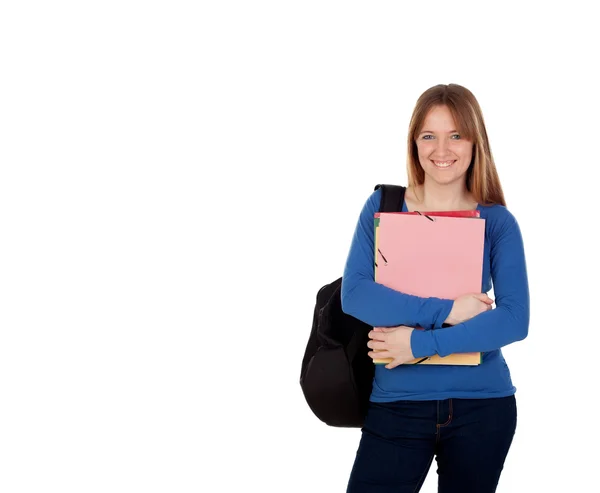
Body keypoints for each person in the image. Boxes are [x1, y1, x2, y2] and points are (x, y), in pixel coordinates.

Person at [340, 83, 529, 493]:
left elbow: (514, 320)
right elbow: (355, 294)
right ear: (414, 142)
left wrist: (418, 345)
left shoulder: (497, 222)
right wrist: (446, 311)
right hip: (395, 408)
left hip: (482, 408)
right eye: (429, 135)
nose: (442, 149)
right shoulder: (382, 208)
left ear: (475, 141)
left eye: (456, 135)